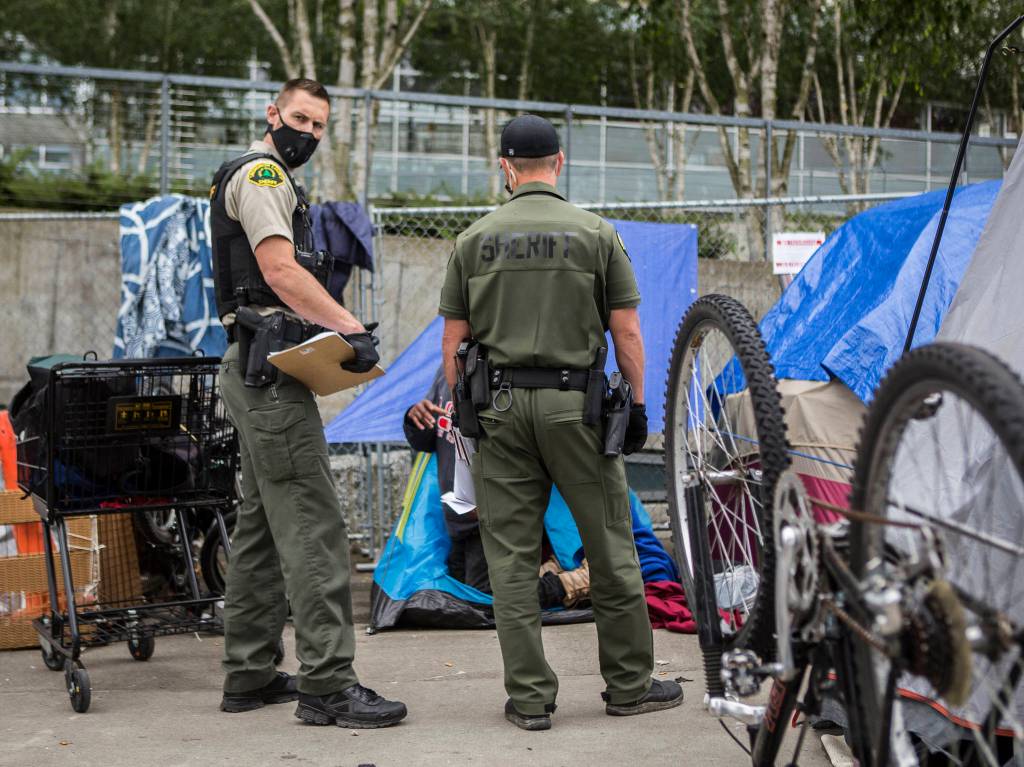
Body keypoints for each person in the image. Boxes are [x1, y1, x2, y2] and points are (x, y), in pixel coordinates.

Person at [438, 114, 683, 731]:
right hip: (578, 408)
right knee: (610, 543)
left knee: (511, 560)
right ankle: (629, 685)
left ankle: (529, 700)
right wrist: (638, 406)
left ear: (506, 167)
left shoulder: (473, 240)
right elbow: (626, 331)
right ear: (560, 162)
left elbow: (454, 345)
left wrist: (469, 416)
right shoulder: (596, 234)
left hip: (500, 410)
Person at [210, 77, 406, 728]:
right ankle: (326, 684)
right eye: (301, 119)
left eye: (320, 125)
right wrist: (349, 327)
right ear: (273, 114)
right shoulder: (264, 176)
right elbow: (280, 271)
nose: (310, 134)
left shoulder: (266, 176)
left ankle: (250, 671)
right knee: (314, 521)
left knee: (263, 526)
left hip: (252, 365)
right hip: (267, 374)